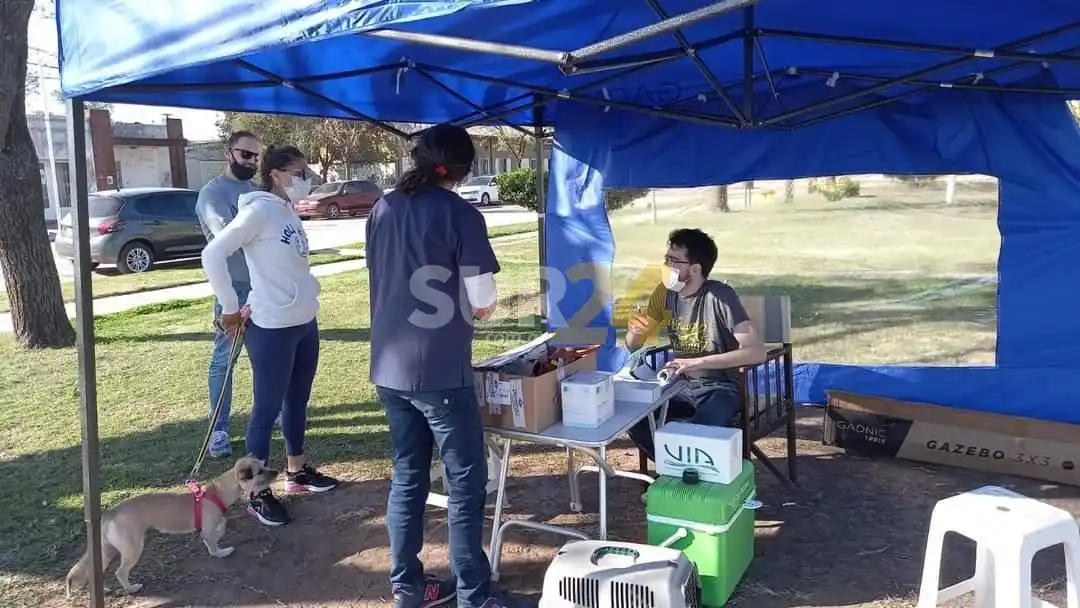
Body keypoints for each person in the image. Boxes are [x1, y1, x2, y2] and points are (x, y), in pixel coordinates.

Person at [367, 124, 529, 608]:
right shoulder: (461, 214)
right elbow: (483, 299)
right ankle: (474, 596)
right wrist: (479, 307)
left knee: (408, 475)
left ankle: (408, 591)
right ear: (463, 168)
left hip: (388, 368)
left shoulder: (382, 206)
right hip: (437, 370)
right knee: (465, 483)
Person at [201, 144, 338, 527]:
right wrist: (229, 306)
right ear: (275, 174)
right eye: (299, 171)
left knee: (297, 400)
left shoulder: (286, 210)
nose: (306, 179)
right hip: (272, 327)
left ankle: (296, 473)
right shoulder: (258, 211)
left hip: (302, 321)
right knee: (264, 410)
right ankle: (256, 493)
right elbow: (213, 254)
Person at [625, 228, 768, 461]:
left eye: (673, 260)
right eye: (666, 258)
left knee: (696, 433)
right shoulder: (664, 294)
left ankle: (686, 478)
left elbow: (756, 351)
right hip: (678, 386)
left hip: (720, 389)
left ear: (695, 268)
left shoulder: (720, 296)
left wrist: (698, 362)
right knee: (635, 418)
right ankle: (675, 471)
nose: (666, 266)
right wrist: (634, 332)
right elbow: (634, 346)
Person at [196, 130, 278, 458]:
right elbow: (230, 238)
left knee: (269, 356)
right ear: (229, 152)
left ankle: (271, 414)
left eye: (256, 157)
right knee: (225, 361)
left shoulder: (257, 191)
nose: (251, 162)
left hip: (265, 286)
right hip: (234, 290)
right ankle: (219, 429)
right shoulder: (213, 194)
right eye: (246, 155)